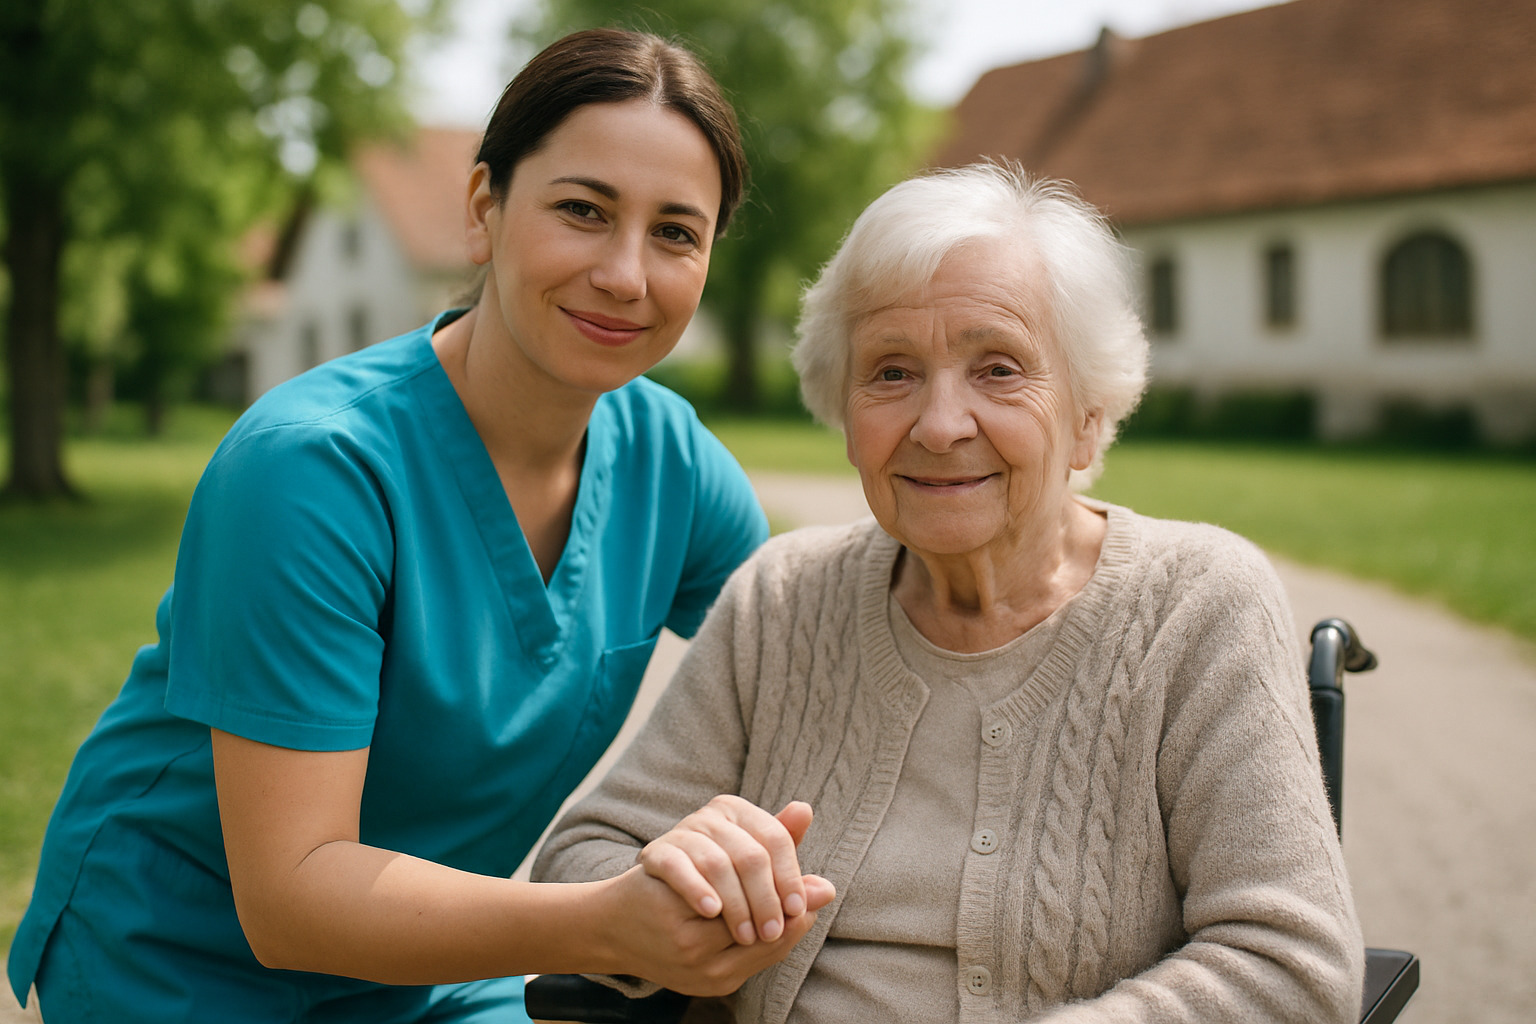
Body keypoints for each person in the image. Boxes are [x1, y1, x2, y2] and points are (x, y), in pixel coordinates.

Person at [6, 28, 833, 1024]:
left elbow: (822, 655)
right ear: (485, 211)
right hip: (179, 959)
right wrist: (604, 920)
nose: (626, 273)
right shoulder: (311, 467)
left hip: (425, 971)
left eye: (675, 232)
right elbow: (293, 896)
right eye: (583, 210)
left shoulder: (674, 466)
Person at [533, 162, 1366, 1023]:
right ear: (844, 412)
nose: (938, 425)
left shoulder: (1199, 604)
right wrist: (672, 883)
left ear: (1089, 413)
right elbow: (586, 855)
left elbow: (1291, 965)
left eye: (999, 369)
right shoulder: (780, 597)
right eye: (891, 372)